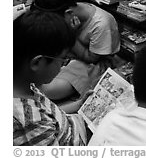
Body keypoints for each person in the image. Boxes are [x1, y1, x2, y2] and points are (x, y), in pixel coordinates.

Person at [13, 10, 90, 145]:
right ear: (37, 63)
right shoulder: (30, 123)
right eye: (62, 60)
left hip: (70, 125)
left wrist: (79, 104)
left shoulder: (25, 83)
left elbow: (51, 115)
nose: (63, 67)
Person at [32, 0, 120, 101]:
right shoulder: (70, 11)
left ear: (68, 13)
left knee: (47, 91)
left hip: (92, 62)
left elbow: (92, 58)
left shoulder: (101, 24)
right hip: (68, 52)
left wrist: (71, 35)